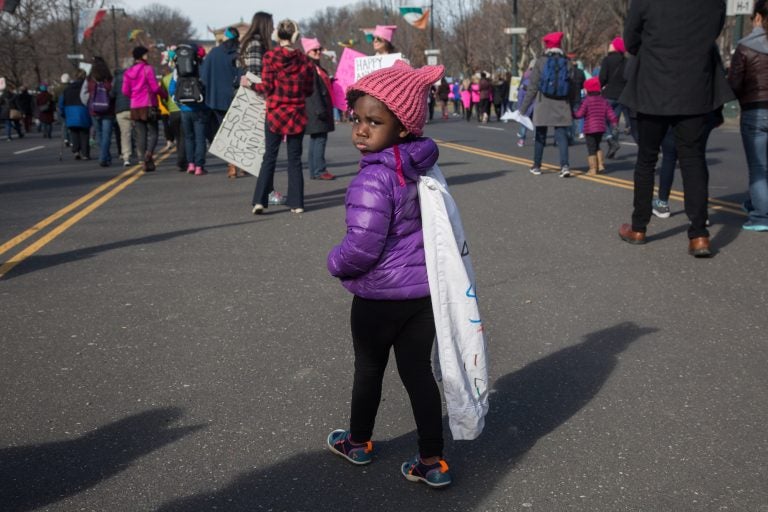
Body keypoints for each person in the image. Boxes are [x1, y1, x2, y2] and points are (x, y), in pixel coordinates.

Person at [326, 59, 452, 489]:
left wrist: (335, 262)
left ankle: (358, 442)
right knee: (418, 374)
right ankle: (432, 459)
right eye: (356, 119)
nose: (360, 129)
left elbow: (361, 247)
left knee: (369, 370)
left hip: (379, 299)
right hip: (420, 297)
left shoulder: (373, 178)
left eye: (373, 121)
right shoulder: (422, 166)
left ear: (402, 128)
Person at [617, 0, 734, 257]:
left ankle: (638, 227)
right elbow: (713, 31)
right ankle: (699, 235)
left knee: (647, 159)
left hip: (653, 85)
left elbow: (631, 41)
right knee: (692, 159)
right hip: (694, 85)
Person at [243, 19, 314, 214]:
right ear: (296, 36)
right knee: (295, 159)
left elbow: (266, 87)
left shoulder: (270, 57)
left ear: (277, 36)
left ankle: (259, 200)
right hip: (297, 114)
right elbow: (309, 89)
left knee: (270, 157)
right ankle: (297, 203)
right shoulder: (305, 61)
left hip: (275, 113)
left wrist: (249, 84)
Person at [728, 0, 768, 232]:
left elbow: (734, 83)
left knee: (758, 167)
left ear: (758, 18)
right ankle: (756, 202)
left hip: (755, 111)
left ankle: (761, 215)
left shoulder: (745, 46)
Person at [516, 31, 573, 178]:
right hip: (562, 103)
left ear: (547, 46)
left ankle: (537, 166)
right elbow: (572, 85)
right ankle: (565, 166)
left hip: (543, 103)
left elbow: (533, 87)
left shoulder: (541, 61)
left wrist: (523, 109)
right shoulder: (567, 62)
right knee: (561, 136)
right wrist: (573, 105)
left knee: (540, 135)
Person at [200, 26, 240, 178]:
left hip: (217, 99)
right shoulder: (238, 53)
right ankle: (239, 162)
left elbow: (204, 76)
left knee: (225, 131)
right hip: (235, 96)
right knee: (237, 130)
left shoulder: (214, 53)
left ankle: (231, 164)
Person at [123, 46, 167, 172]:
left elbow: (125, 91)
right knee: (154, 132)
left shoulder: (128, 72)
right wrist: (164, 95)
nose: (147, 56)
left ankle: (143, 160)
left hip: (135, 106)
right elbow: (154, 88)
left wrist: (134, 96)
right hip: (148, 105)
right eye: (146, 54)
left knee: (140, 134)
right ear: (141, 56)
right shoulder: (148, 69)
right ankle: (149, 154)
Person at [171, 45, 210, 175]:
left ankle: (191, 164)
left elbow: (172, 89)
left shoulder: (178, 70)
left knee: (188, 137)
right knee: (200, 138)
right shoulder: (202, 68)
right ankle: (199, 166)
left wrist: (180, 104)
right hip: (200, 107)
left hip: (184, 109)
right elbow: (206, 87)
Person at [302, 36, 336, 180]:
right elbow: (314, 90)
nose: (317, 52)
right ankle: (320, 170)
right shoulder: (310, 67)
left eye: (319, 49)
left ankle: (314, 171)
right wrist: (319, 109)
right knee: (320, 139)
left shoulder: (316, 66)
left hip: (316, 109)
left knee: (316, 140)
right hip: (316, 109)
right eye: (314, 50)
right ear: (308, 51)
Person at [573, 77, 617, 175]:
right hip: (601, 128)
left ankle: (593, 169)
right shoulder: (603, 100)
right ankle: (601, 165)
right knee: (597, 145)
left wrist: (573, 114)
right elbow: (610, 113)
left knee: (591, 148)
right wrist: (614, 122)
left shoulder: (587, 101)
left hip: (590, 129)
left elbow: (579, 114)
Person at [82, 56, 116, 167]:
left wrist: (89, 103)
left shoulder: (90, 79)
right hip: (108, 110)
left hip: (94, 110)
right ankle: (104, 157)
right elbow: (114, 93)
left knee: (99, 134)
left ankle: (105, 157)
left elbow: (83, 94)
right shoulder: (110, 78)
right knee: (107, 135)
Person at [599, 38, 628, 158]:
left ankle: (611, 140)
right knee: (614, 121)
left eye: (612, 44)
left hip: (609, 94)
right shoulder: (626, 61)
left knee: (602, 119)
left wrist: (599, 88)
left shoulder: (607, 60)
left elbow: (602, 78)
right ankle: (613, 147)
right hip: (621, 95)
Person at [161, 49, 187, 172]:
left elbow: (163, 97)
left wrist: (167, 106)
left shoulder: (165, 79)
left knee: (178, 138)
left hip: (172, 112)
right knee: (185, 137)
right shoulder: (184, 75)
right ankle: (183, 161)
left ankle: (181, 160)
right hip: (182, 108)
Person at [58, 70, 91, 159]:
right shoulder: (86, 87)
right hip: (83, 111)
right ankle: (85, 153)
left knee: (74, 132)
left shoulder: (67, 89)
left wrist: (62, 113)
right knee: (84, 133)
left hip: (70, 112)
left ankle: (76, 150)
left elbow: (61, 102)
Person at [112, 65, 134, 166]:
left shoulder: (116, 81)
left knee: (125, 134)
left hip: (120, 110)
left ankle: (126, 156)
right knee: (138, 131)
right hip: (133, 107)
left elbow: (112, 95)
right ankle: (141, 154)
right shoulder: (132, 78)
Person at [515, 63, 535, 147]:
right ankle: (538, 138)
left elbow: (520, 97)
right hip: (535, 106)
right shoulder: (537, 84)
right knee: (536, 124)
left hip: (525, 106)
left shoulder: (524, 84)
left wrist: (519, 107)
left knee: (524, 124)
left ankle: (522, 140)